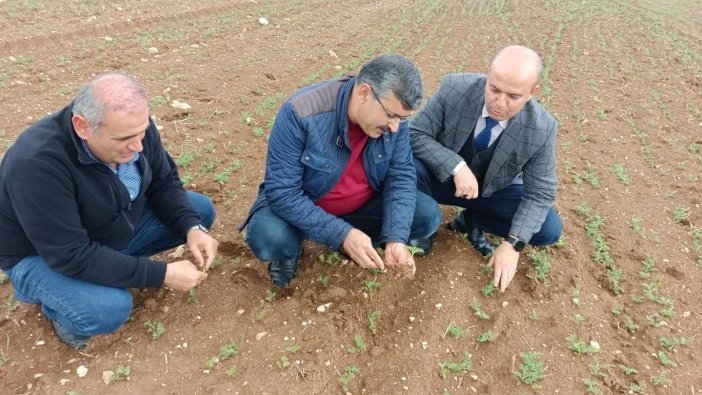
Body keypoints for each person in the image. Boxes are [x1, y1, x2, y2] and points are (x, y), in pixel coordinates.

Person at [0, 73, 219, 348]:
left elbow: (164, 182)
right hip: (41, 255)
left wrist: (191, 227)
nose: (138, 146)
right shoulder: (37, 164)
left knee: (198, 211)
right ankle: (59, 310)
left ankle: (109, 268)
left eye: (142, 133)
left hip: (104, 228)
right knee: (108, 308)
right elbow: (70, 255)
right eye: (125, 138)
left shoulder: (136, 130)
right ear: (82, 127)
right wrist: (162, 274)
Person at [240, 54, 441, 288]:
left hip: (362, 205)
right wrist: (341, 234)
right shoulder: (301, 113)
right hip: (307, 205)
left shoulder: (395, 125)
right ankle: (291, 252)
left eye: (403, 119)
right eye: (391, 115)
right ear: (364, 93)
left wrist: (396, 238)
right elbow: (282, 192)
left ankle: (363, 242)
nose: (395, 126)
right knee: (269, 237)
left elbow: (401, 176)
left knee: (426, 215)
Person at [409, 45, 562, 292]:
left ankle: (472, 220)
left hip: (493, 192)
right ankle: (421, 223)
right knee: (403, 167)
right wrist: (456, 166)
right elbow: (415, 133)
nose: (499, 103)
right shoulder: (454, 90)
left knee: (548, 229)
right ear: (487, 77)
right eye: (494, 89)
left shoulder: (542, 129)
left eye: (513, 96)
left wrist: (513, 244)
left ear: (533, 92)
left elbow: (540, 193)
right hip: (441, 178)